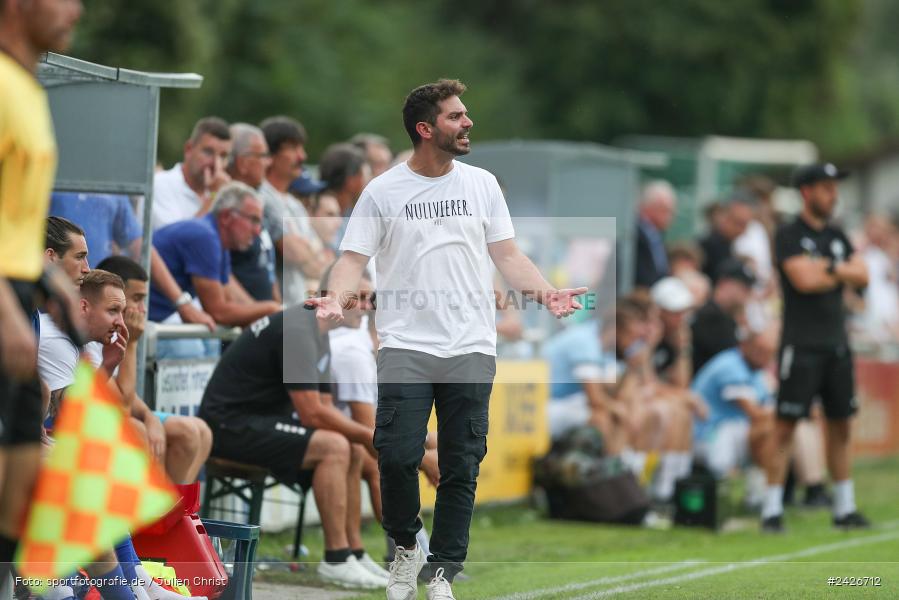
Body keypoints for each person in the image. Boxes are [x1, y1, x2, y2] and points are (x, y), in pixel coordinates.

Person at [307, 79, 586, 600]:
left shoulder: (482, 184)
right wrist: (335, 297)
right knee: (395, 455)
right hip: (405, 344)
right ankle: (405, 549)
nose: (467, 122)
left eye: (465, 114)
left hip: (471, 346)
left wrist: (546, 294)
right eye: (456, 116)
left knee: (461, 465)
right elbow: (351, 259)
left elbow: (508, 256)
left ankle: (442, 573)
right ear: (425, 128)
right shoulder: (382, 191)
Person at [198, 303, 387, 589]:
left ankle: (354, 554)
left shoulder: (317, 331)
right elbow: (312, 413)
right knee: (335, 446)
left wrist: (364, 438)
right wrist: (368, 435)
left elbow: (324, 407)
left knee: (352, 447)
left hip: (256, 422)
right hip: (228, 427)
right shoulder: (298, 330)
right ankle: (336, 559)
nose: (365, 307)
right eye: (357, 297)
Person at [0, 0, 83, 590]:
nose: (76, 9)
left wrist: (47, 277)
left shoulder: (27, 88)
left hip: (18, 293)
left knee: (23, 486)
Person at [761, 163, 870, 533]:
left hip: (836, 345)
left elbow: (863, 274)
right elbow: (803, 280)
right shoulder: (789, 234)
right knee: (785, 425)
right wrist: (839, 270)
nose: (833, 195)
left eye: (834, 188)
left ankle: (844, 507)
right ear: (806, 192)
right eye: (826, 188)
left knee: (841, 425)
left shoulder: (838, 235)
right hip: (801, 345)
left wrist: (828, 268)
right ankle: (771, 510)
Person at [94, 255, 212, 484]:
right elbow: (123, 403)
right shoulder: (97, 333)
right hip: (101, 417)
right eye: (137, 299)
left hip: (122, 410)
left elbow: (128, 397)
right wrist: (131, 343)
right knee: (161, 430)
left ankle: (176, 502)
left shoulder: (116, 330)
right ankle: (162, 504)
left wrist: (150, 416)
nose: (143, 309)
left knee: (202, 431)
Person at [149, 182, 281, 357]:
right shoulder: (206, 236)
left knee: (211, 341)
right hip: (148, 320)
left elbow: (230, 302)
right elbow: (218, 311)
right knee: (193, 348)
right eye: (253, 220)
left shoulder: (218, 241)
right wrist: (271, 309)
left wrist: (273, 313)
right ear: (226, 217)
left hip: (160, 318)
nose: (258, 231)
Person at [691, 327, 776, 481]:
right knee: (766, 427)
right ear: (744, 345)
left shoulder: (756, 371)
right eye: (760, 350)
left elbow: (767, 405)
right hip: (706, 434)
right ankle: (732, 480)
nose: (765, 357)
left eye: (769, 353)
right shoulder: (729, 365)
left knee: (775, 427)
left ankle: (765, 485)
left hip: (731, 432)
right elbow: (754, 413)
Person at [259, 116, 323, 304]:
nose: (302, 156)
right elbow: (295, 253)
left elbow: (320, 262)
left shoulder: (296, 205)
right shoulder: (260, 197)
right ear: (270, 154)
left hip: (297, 306)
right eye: (293, 148)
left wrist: (307, 253)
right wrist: (308, 251)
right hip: (276, 307)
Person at [226, 123, 280, 302]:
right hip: (243, 316)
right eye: (263, 156)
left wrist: (278, 311)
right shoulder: (227, 210)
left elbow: (266, 267)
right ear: (243, 163)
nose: (269, 162)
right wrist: (259, 313)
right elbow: (220, 272)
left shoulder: (253, 203)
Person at [151, 116, 232, 231]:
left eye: (223, 156)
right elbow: (176, 240)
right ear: (188, 149)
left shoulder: (221, 191)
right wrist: (214, 196)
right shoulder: (161, 184)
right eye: (208, 152)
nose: (216, 164)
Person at [690, 258, 756, 374]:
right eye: (743, 287)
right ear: (724, 283)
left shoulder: (728, 316)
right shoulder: (708, 316)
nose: (748, 293)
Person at [699, 190, 756, 284]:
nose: (743, 231)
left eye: (746, 225)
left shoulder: (728, 244)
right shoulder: (708, 247)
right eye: (739, 224)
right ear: (724, 217)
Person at [634, 181, 677, 288]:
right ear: (649, 207)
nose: (670, 217)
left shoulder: (655, 235)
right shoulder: (633, 234)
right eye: (666, 210)